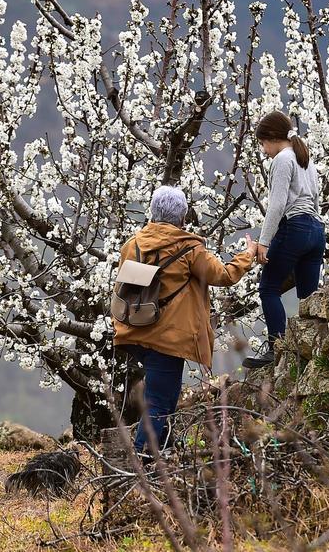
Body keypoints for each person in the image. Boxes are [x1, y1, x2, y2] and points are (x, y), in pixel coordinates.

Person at [113, 185, 257, 455]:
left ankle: (165, 451)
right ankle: (141, 463)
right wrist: (247, 255)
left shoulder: (132, 244)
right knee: (159, 401)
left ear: (153, 213)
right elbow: (223, 275)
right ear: (182, 218)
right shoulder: (189, 249)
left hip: (133, 330)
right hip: (166, 338)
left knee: (160, 395)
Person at [244, 111, 325, 370]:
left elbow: (277, 205)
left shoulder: (282, 159)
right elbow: (315, 200)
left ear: (270, 138)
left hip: (296, 226)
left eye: (262, 144)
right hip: (316, 230)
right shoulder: (305, 159)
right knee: (309, 297)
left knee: (268, 287)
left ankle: (276, 349)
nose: (264, 150)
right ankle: (314, 352)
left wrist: (264, 242)